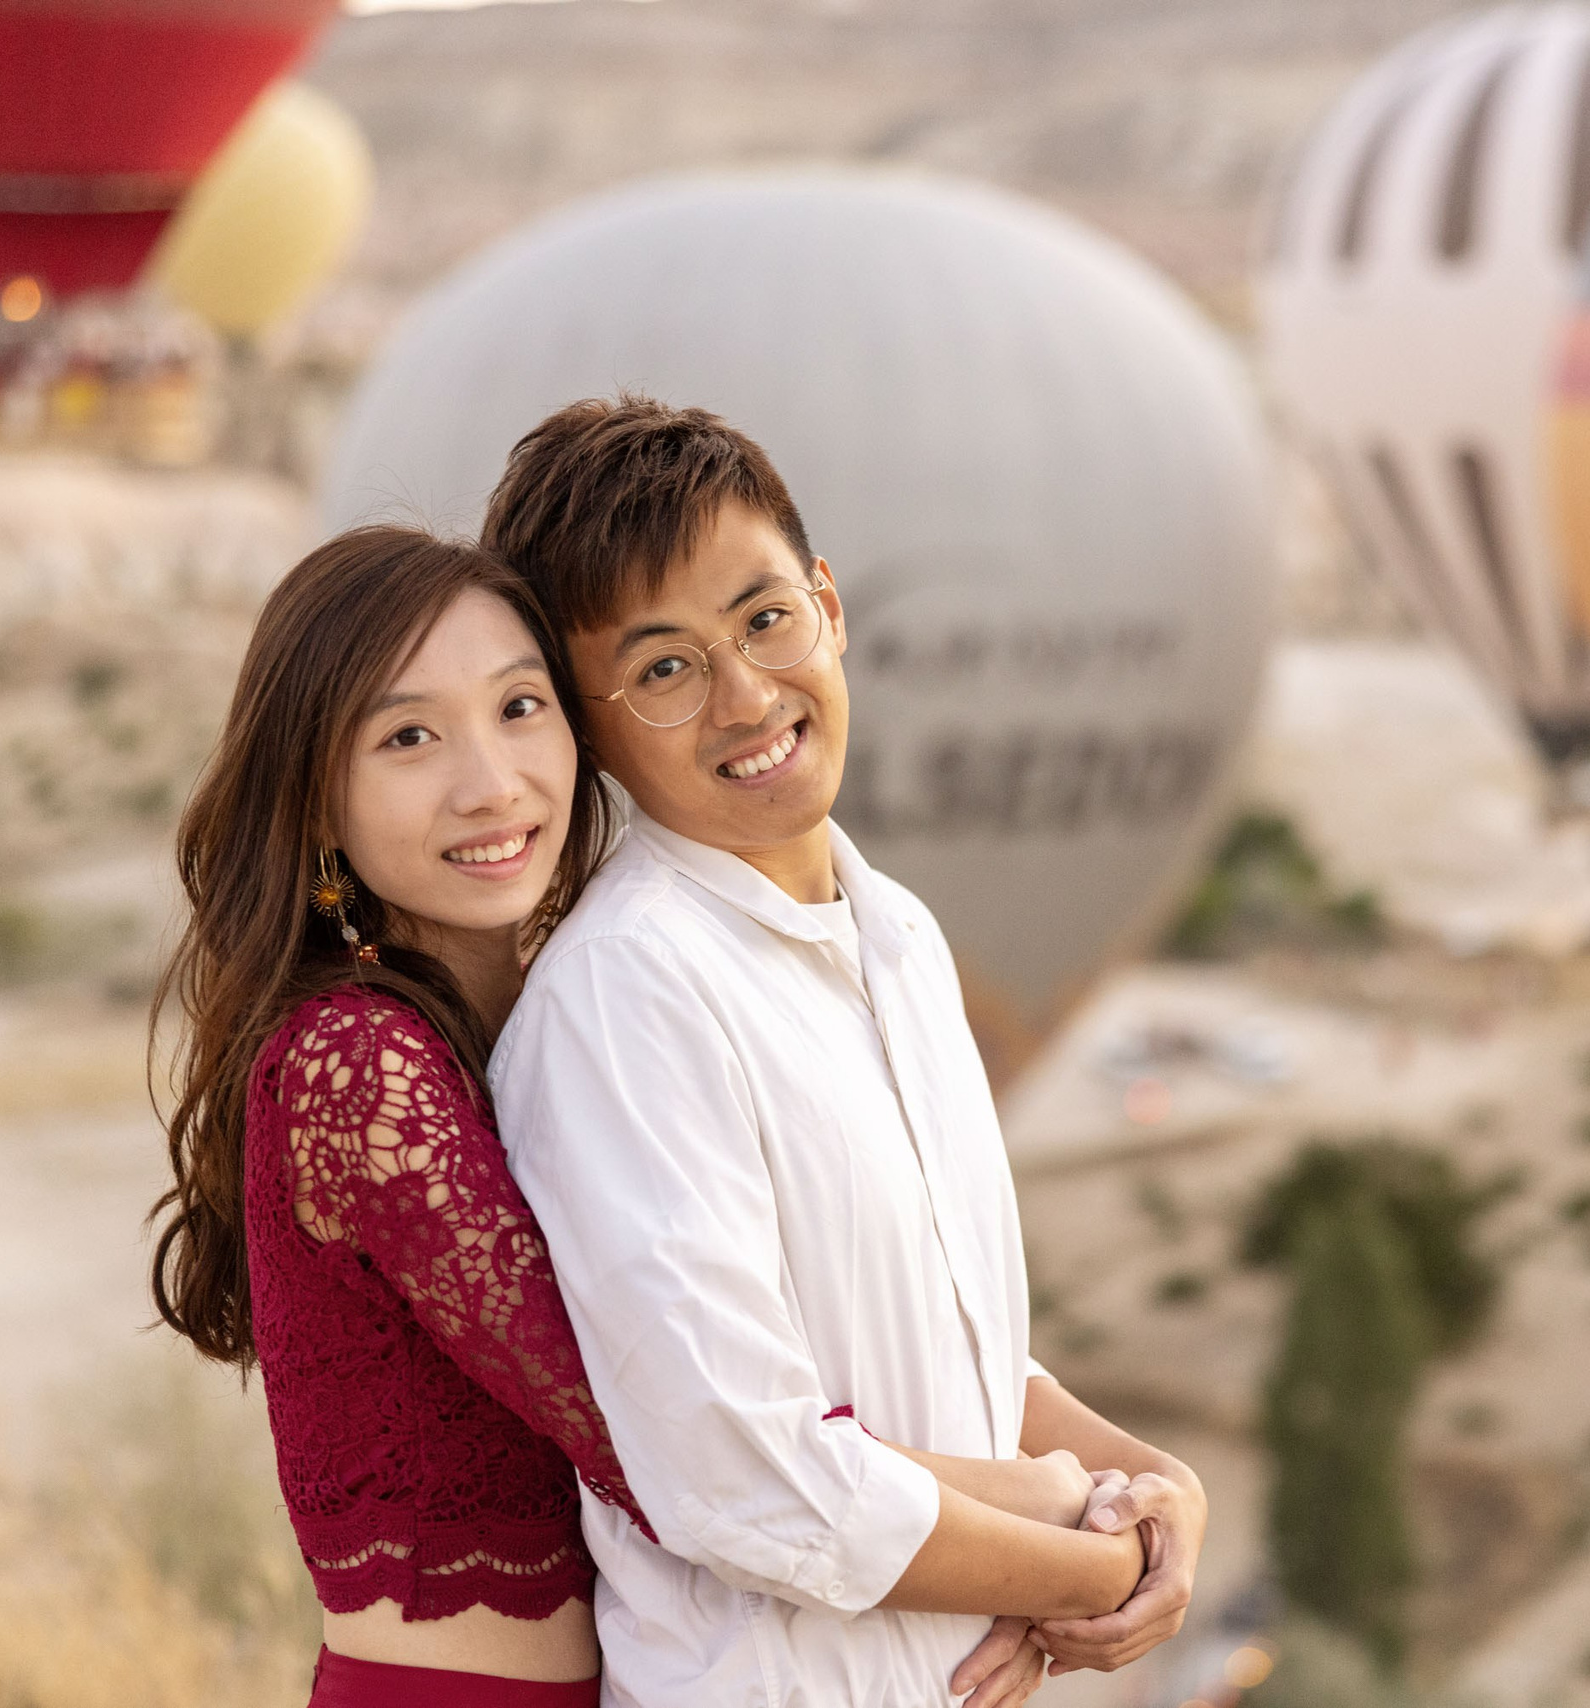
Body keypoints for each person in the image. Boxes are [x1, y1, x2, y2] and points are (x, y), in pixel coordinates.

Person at [146, 527, 1100, 1708]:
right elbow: (678, 1439)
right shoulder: (360, 1065)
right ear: (317, 805)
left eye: (519, 707)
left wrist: (1111, 1491)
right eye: (407, 737)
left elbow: (793, 1342)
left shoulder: (514, 1023)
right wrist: (1071, 1528)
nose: (489, 781)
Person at [482, 396, 1211, 1708]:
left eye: (766, 620)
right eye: (662, 669)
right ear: (589, 731)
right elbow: (742, 1473)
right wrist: (1076, 1565)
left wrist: (1159, 1492)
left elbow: (947, 1353)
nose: (746, 697)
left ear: (829, 600)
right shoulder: (627, 995)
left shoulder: (904, 940)